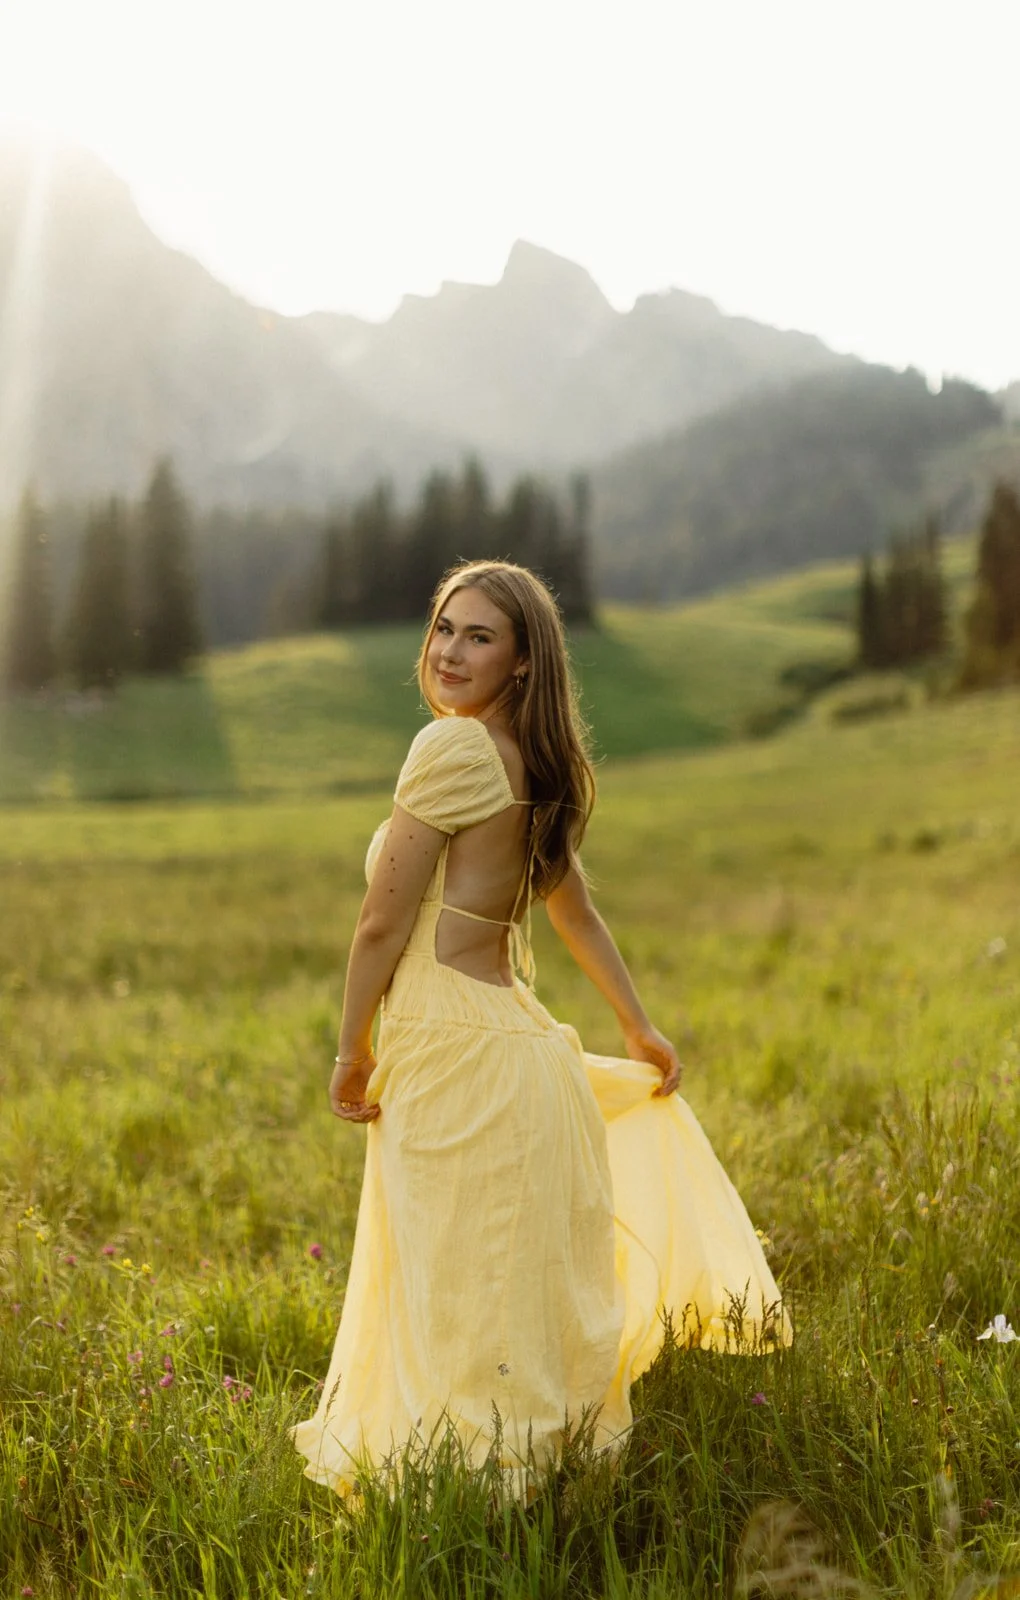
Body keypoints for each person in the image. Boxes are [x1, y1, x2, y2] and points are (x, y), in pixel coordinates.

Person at [291, 561, 789, 1497]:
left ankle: (470, 1492)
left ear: (523, 662)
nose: (449, 650)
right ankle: (524, 1481)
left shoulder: (451, 753)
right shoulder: (536, 763)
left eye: (480, 636)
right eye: (444, 627)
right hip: (519, 1052)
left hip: (449, 1049)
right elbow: (576, 914)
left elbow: (378, 923)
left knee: (454, 1288)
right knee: (497, 1288)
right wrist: (637, 1028)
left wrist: (350, 1053)